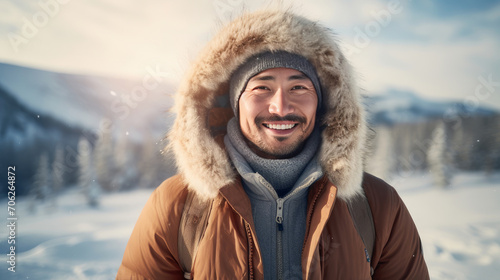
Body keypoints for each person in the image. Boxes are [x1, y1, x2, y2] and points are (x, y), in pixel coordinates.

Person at [117, 9, 429, 280]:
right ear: (236, 104)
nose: (280, 107)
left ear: (323, 103)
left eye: (298, 87)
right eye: (262, 87)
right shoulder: (178, 207)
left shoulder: (377, 207)